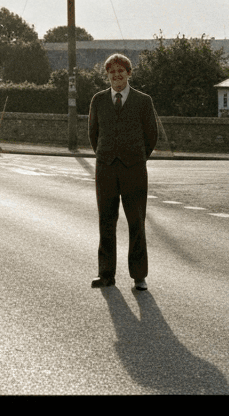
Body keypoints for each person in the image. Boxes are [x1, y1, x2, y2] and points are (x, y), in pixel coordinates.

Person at [87, 53, 158, 291]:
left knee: (136, 222)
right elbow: (93, 134)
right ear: (107, 75)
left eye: (121, 71)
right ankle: (106, 274)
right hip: (105, 169)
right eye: (112, 72)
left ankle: (139, 276)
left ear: (129, 73)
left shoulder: (143, 101)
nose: (116, 76)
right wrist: (105, 155)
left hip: (134, 170)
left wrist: (136, 157)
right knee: (106, 222)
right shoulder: (98, 100)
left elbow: (151, 136)